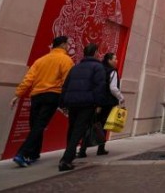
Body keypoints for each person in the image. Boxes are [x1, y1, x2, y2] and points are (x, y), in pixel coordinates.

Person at [10, 35, 74, 167]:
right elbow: (67, 81)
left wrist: (18, 94)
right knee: (39, 126)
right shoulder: (66, 60)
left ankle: (34, 154)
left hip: (36, 95)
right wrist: (66, 100)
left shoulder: (40, 60)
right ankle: (22, 153)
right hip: (52, 95)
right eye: (67, 44)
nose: (68, 46)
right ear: (62, 45)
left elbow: (29, 78)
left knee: (35, 125)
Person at [58, 43, 108, 172]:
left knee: (72, 128)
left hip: (73, 102)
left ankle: (68, 154)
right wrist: (98, 103)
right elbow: (100, 87)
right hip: (87, 103)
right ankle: (66, 159)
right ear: (96, 53)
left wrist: (63, 102)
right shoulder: (98, 67)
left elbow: (66, 85)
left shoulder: (76, 67)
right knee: (79, 129)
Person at [78, 52, 125, 158]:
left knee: (90, 124)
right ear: (109, 60)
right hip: (107, 102)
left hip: (95, 101)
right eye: (114, 59)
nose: (116, 61)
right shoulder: (112, 71)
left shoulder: (99, 69)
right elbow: (113, 88)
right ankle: (101, 148)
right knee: (103, 125)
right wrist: (121, 97)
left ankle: (83, 149)